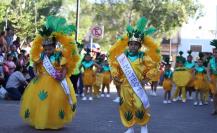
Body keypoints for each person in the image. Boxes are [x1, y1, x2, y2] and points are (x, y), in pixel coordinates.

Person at [20, 16, 79, 129]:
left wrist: (63, 73)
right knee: (42, 100)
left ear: (54, 47)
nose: (47, 51)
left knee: (56, 101)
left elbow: (65, 65)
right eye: (45, 49)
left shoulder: (59, 55)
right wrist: (37, 71)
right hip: (42, 80)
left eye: (50, 49)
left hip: (57, 80)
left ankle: (53, 120)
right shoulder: (42, 55)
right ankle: (42, 119)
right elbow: (37, 64)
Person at [109, 17, 160, 133]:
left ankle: (143, 126)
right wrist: (115, 75)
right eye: (131, 44)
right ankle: (130, 127)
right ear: (128, 45)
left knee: (139, 106)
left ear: (139, 46)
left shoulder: (143, 56)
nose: (133, 46)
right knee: (126, 107)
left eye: (135, 44)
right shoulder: (122, 57)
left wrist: (146, 79)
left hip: (138, 86)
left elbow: (153, 67)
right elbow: (114, 66)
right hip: (125, 86)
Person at [207, 39, 217, 115]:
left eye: (216, 52)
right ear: (213, 53)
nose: (216, 53)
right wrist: (209, 78)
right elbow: (208, 70)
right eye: (215, 52)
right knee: (214, 94)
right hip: (214, 78)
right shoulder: (211, 61)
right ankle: (214, 109)